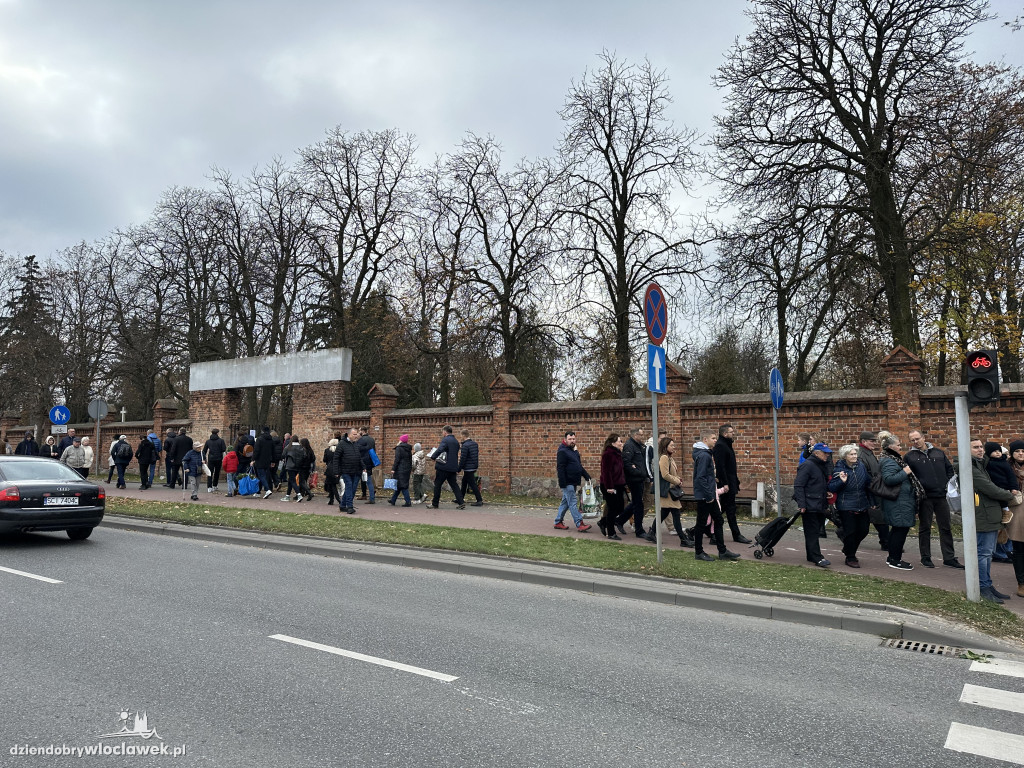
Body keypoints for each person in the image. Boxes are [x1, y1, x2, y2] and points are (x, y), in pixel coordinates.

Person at [904, 429, 959, 568]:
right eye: (912, 440)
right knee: (925, 527)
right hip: (924, 497)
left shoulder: (938, 452)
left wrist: (946, 483)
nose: (916, 442)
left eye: (917, 438)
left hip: (941, 496)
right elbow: (909, 477)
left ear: (923, 437)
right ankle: (926, 557)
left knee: (945, 527)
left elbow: (949, 469)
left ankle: (949, 557)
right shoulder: (909, 457)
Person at [970, 438, 1016, 603]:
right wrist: (1010, 495)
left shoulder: (982, 464)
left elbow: (998, 455)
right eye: (975, 447)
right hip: (983, 515)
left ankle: (988, 585)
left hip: (989, 514)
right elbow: (988, 488)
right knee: (984, 553)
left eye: (981, 447)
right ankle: (983, 587)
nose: (980, 450)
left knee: (988, 553)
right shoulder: (971, 467)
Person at [877, 433, 923, 571]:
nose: (899, 447)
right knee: (900, 529)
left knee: (898, 529)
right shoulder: (889, 460)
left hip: (901, 501)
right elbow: (889, 479)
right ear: (891, 446)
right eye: (897, 445)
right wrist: (905, 472)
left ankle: (892, 557)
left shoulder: (892, 458)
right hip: (898, 502)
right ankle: (895, 559)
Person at [693, 428, 740, 561]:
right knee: (701, 524)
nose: (715, 440)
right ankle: (698, 552)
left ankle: (722, 551)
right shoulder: (703, 455)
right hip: (705, 496)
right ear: (705, 440)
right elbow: (700, 478)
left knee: (718, 520)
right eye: (713, 438)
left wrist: (713, 479)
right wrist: (709, 495)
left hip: (709, 495)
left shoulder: (706, 453)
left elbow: (704, 476)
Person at [828, 444, 870, 567]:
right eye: (851, 454)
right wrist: (842, 481)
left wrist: (872, 501)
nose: (854, 456)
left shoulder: (861, 466)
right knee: (850, 531)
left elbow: (867, 483)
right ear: (845, 456)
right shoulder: (839, 469)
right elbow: (831, 487)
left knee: (864, 530)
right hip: (846, 505)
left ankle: (847, 548)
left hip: (862, 503)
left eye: (855, 454)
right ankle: (850, 557)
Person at [648, 437, 693, 547]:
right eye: (671, 445)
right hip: (668, 491)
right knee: (676, 514)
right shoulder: (663, 457)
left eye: (674, 445)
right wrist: (677, 481)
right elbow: (665, 474)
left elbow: (672, 473)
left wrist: (678, 479)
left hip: (670, 489)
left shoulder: (669, 458)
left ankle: (651, 532)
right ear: (665, 446)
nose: (674, 447)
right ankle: (683, 539)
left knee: (663, 513)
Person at [792, 442, 832, 567]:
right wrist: (802, 504)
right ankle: (817, 557)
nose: (827, 456)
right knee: (812, 531)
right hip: (810, 504)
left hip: (819, 503)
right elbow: (799, 485)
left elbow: (817, 483)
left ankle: (811, 555)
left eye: (828, 453)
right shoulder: (808, 465)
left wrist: (826, 493)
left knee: (814, 531)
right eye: (825, 453)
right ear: (817, 453)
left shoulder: (821, 465)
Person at [714, 424, 751, 544]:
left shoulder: (726, 445)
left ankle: (699, 530)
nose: (733, 434)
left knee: (723, 509)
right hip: (726, 484)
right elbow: (721, 467)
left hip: (731, 482)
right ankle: (736, 534)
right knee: (730, 509)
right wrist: (725, 483)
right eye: (731, 432)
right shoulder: (720, 446)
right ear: (725, 434)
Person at [554, 431, 592, 532]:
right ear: (565, 439)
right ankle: (579, 523)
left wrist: (586, 476)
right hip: (567, 482)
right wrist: (563, 483)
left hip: (574, 481)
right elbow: (560, 468)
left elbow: (578, 466)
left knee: (565, 503)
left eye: (573, 439)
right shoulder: (562, 451)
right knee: (573, 502)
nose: (572, 441)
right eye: (570, 439)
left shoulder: (573, 451)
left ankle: (558, 522)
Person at [858, 431, 889, 550]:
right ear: (864, 441)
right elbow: (865, 477)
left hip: (875, 490)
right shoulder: (862, 455)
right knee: (879, 519)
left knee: (874, 519)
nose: (874, 443)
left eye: (875, 441)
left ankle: (844, 533)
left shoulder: (868, 453)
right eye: (872, 441)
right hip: (870, 492)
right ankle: (886, 543)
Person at [598, 433, 627, 540]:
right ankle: (611, 532)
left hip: (619, 485)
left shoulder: (618, 453)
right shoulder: (608, 454)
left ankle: (602, 522)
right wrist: (609, 487)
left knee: (620, 507)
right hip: (609, 485)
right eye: (619, 441)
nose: (621, 443)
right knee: (613, 508)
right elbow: (606, 472)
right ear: (613, 443)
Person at [621, 427, 648, 537]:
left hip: (639, 478)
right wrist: (638, 472)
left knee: (636, 503)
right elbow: (626, 463)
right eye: (641, 435)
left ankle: (619, 521)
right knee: (638, 504)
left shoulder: (640, 446)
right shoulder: (629, 446)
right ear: (635, 435)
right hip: (634, 479)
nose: (642, 437)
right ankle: (639, 530)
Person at [429, 425, 465, 509]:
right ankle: (461, 502)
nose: (442, 433)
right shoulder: (456, 441)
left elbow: (440, 449)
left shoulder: (445, 440)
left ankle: (435, 503)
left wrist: (433, 457)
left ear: (445, 432)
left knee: (437, 484)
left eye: (442, 432)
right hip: (453, 467)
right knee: (454, 485)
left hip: (443, 467)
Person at [1006, 440, 1024, 597]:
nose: (1020, 453)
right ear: (1012, 453)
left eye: (1023, 451)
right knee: (1018, 549)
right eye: (1017, 451)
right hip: (1016, 511)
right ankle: (1021, 583)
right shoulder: (1007, 468)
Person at [332, 428, 363, 514]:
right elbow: (336, 458)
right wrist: (336, 471)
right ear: (349, 435)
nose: (356, 435)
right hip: (346, 470)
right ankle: (350, 506)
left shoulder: (355, 444)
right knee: (349, 486)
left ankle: (342, 505)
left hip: (356, 470)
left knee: (352, 489)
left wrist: (363, 467)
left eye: (356, 434)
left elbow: (359, 457)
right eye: (354, 434)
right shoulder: (342, 444)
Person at [458, 429, 483, 506]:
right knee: (464, 482)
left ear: (463, 435)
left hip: (468, 467)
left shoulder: (465, 445)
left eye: (461, 436)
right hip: (473, 466)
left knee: (472, 484)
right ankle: (460, 498)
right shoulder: (474, 444)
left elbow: (463, 458)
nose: (460, 437)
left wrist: (459, 468)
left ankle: (479, 500)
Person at [389, 435, 413, 507]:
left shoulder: (399, 448)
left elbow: (397, 459)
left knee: (403, 486)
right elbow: (410, 460)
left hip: (400, 469)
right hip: (407, 469)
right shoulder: (408, 449)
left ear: (401, 440)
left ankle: (408, 501)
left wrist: (393, 469)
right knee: (399, 485)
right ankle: (393, 500)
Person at [253, 427, 276, 498]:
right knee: (262, 476)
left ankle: (267, 489)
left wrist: (253, 459)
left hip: (259, 460)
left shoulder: (259, 439)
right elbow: (273, 451)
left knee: (261, 475)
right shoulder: (271, 440)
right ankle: (258, 491)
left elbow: (256, 450)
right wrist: (273, 461)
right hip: (267, 460)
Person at [281, 435, 304, 502]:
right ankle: (287, 495)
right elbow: (304, 455)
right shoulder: (301, 447)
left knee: (292, 480)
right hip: (298, 466)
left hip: (290, 466)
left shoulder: (289, 447)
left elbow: (283, 455)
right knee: (290, 481)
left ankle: (299, 495)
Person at [203, 428, 227, 493]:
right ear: (217, 433)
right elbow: (223, 449)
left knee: (210, 472)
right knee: (217, 472)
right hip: (218, 458)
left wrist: (204, 458)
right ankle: (215, 485)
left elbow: (204, 450)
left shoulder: (208, 441)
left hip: (211, 458)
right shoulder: (221, 441)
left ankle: (209, 487)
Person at [357, 427, 377, 503]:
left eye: (359, 431)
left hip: (363, 462)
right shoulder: (371, 439)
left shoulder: (361, 440)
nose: (359, 432)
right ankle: (365, 494)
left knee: (366, 480)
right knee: (366, 479)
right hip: (370, 461)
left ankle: (370, 497)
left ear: (363, 431)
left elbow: (359, 451)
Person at [323, 435, 340, 506]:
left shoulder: (327, 450)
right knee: (332, 485)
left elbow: (324, 460)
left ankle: (338, 499)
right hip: (337, 469)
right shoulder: (339, 450)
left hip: (330, 469)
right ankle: (331, 500)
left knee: (332, 485)